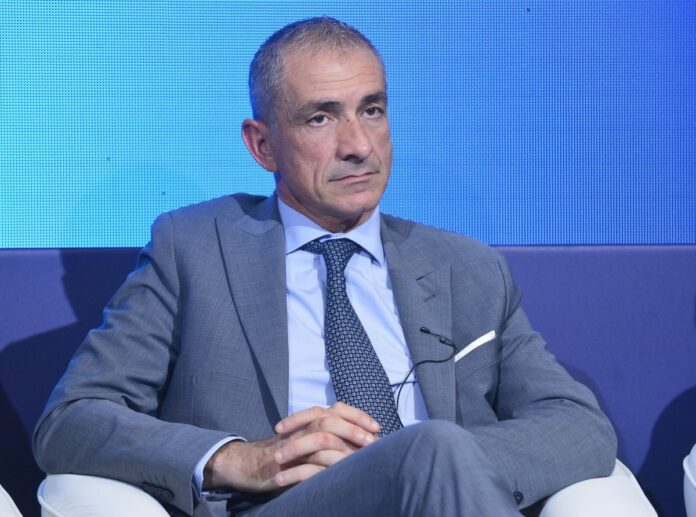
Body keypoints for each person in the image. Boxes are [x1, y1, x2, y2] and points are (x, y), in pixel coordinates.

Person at [33, 17, 616, 516]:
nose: (358, 144)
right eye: (321, 118)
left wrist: (427, 465)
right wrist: (241, 458)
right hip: (286, 507)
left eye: (373, 110)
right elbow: (72, 419)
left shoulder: (466, 266)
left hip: (448, 498)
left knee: (432, 447)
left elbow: (578, 424)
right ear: (262, 145)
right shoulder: (193, 248)